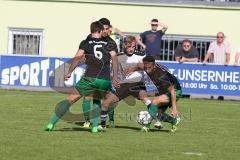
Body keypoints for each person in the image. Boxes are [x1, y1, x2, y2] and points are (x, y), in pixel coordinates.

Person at [45, 21, 119, 133]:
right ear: (100, 30)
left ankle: (51, 123)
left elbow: (77, 58)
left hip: (90, 77)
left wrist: (69, 72)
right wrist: (114, 78)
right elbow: (114, 59)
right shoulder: (109, 42)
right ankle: (94, 127)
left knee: (71, 99)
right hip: (104, 79)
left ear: (91, 31)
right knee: (97, 100)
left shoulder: (86, 42)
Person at [98, 35, 150, 130]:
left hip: (137, 84)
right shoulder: (118, 56)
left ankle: (161, 120)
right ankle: (102, 125)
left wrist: (134, 68)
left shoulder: (141, 54)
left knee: (147, 100)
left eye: (133, 47)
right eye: (129, 47)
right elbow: (114, 70)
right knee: (105, 103)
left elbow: (146, 66)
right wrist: (114, 79)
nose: (131, 49)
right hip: (123, 85)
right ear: (124, 46)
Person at [81, 18, 118, 129]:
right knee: (88, 97)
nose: (105, 31)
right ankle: (88, 121)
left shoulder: (110, 42)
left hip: (105, 74)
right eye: (104, 29)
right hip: (92, 72)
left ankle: (109, 120)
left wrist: (114, 75)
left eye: (107, 29)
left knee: (108, 99)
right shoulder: (90, 37)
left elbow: (115, 59)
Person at [139, 56, 182, 132]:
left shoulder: (161, 76)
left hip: (175, 91)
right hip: (164, 91)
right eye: (145, 67)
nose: (146, 70)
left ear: (154, 65)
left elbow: (172, 90)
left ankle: (146, 127)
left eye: (149, 67)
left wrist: (174, 108)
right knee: (158, 114)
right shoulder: (149, 67)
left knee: (155, 101)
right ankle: (174, 121)